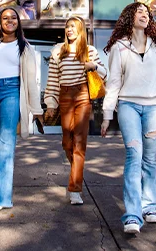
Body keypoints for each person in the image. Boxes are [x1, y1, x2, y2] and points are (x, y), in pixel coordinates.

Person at [101, 3, 156, 235]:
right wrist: (106, 114)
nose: (144, 14)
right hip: (128, 105)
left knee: (149, 159)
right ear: (130, 16)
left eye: (147, 12)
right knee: (134, 155)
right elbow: (113, 82)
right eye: (139, 11)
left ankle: (149, 205)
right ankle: (132, 215)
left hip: (154, 108)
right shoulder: (119, 47)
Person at [0, 6, 44, 211]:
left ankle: (0, 197)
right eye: (5, 18)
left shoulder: (25, 47)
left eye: (14, 17)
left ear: (18, 22)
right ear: (0, 22)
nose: (10, 21)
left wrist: (36, 110)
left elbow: (31, 82)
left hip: (13, 92)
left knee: (6, 144)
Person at [44, 17, 107, 205]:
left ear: (80, 29)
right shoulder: (58, 51)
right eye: (67, 27)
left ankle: (75, 188)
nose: (69, 30)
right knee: (67, 141)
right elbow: (53, 81)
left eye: (73, 26)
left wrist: (93, 66)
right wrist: (50, 104)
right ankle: (76, 171)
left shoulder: (90, 51)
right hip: (64, 96)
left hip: (82, 95)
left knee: (79, 141)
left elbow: (105, 73)